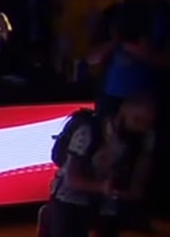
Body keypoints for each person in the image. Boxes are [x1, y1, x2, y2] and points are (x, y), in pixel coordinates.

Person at [48, 93, 155, 237]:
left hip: (106, 201)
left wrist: (128, 191)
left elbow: (138, 181)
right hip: (70, 198)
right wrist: (103, 187)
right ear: (124, 110)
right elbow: (72, 179)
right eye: (137, 120)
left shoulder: (144, 138)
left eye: (147, 124)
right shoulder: (89, 130)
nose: (140, 128)